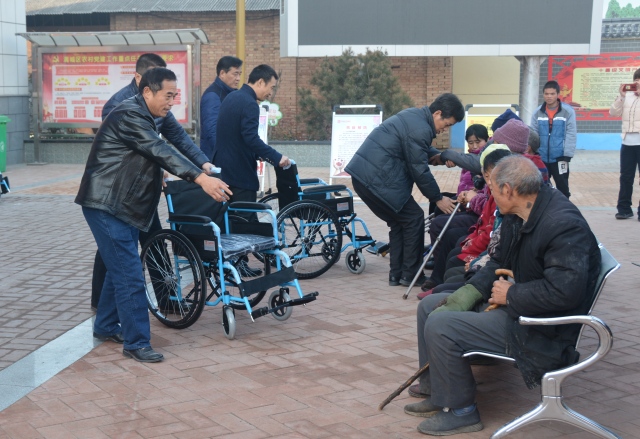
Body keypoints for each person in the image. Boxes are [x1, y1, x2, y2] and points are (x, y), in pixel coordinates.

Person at [404, 155, 601, 436]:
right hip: (522, 309)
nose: (490, 195)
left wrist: (512, 294)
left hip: (541, 329)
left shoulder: (562, 224)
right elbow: (498, 260)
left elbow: (564, 292)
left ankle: (461, 411)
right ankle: (438, 391)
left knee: (442, 324)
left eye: (493, 189)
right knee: (430, 307)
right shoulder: (518, 213)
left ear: (508, 190)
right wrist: (470, 292)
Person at [76, 68, 231, 363]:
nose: (172, 102)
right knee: (130, 274)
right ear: (147, 91)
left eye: (175, 95)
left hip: (124, 204)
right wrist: (200, 178)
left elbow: (170, 145)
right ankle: (136, 342)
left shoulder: (147, 113)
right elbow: (159, 150)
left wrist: (198, 166)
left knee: (121, 268)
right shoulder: (129, 114)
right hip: (106, 203)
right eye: (168, 95)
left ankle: (106, 325)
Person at [90, 53, 214, 311]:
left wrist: (203, 163)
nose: (170, 100)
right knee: (113, 252)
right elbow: (146, 148)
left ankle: (166, 299)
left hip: (142, 190)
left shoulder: (159, 104)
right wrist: (183, 173)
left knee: (153, 240)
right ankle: (102, 305)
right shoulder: (120, 106)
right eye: (165, 92)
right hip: (116, 193)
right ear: (141, 80)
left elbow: (177, 137)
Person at [345, 93, 463, 287]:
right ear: (438, 113)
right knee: (414, 218)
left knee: (399, 222)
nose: (445, 129)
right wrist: (437, 198)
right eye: (447, 124)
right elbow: (419, 169)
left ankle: (397, 274)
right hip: (378, 179)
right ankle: (411, 274)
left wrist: (439, 156)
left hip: (364, 177)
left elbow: (415, 149)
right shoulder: (422, 128)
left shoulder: (414, 117)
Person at [216, 64, 290, 205]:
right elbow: (251, 138)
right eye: (272, 87)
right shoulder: (250, 103)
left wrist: (258, 154)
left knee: (229, 216)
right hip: (241, 175)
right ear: (261, 82)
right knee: (246, 216)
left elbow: (235, 136)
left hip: (223, 173)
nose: (271, 93)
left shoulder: (231, 97)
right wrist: (276, 157)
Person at [529, 80, 577, 199]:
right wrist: (534, 153)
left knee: (563, 188)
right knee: (540, 188)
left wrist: (567, 155)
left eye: (552, 94)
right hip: (542, 157)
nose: (549, 96)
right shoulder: (537, 112)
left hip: (560, 158)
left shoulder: (568, 112)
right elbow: (533, 134)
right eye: (546, 94)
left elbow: (571, 133)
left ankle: (564, 209)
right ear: (543, 94)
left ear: (558, 94)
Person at [609, 68, 640, 220]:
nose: (637, 83)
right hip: (627, 142)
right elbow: (613, 112)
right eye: (636, 80)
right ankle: (624, 209)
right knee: (626, 177)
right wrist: (621, 96)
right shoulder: (627, 96)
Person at [200, 56, 244, 162]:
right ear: (222, 73)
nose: (238, 78)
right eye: (235, 74)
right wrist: (227, 156)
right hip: (216, 160)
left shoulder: (232, 93)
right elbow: (212, 131)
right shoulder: (213, 96)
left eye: (240, 74)